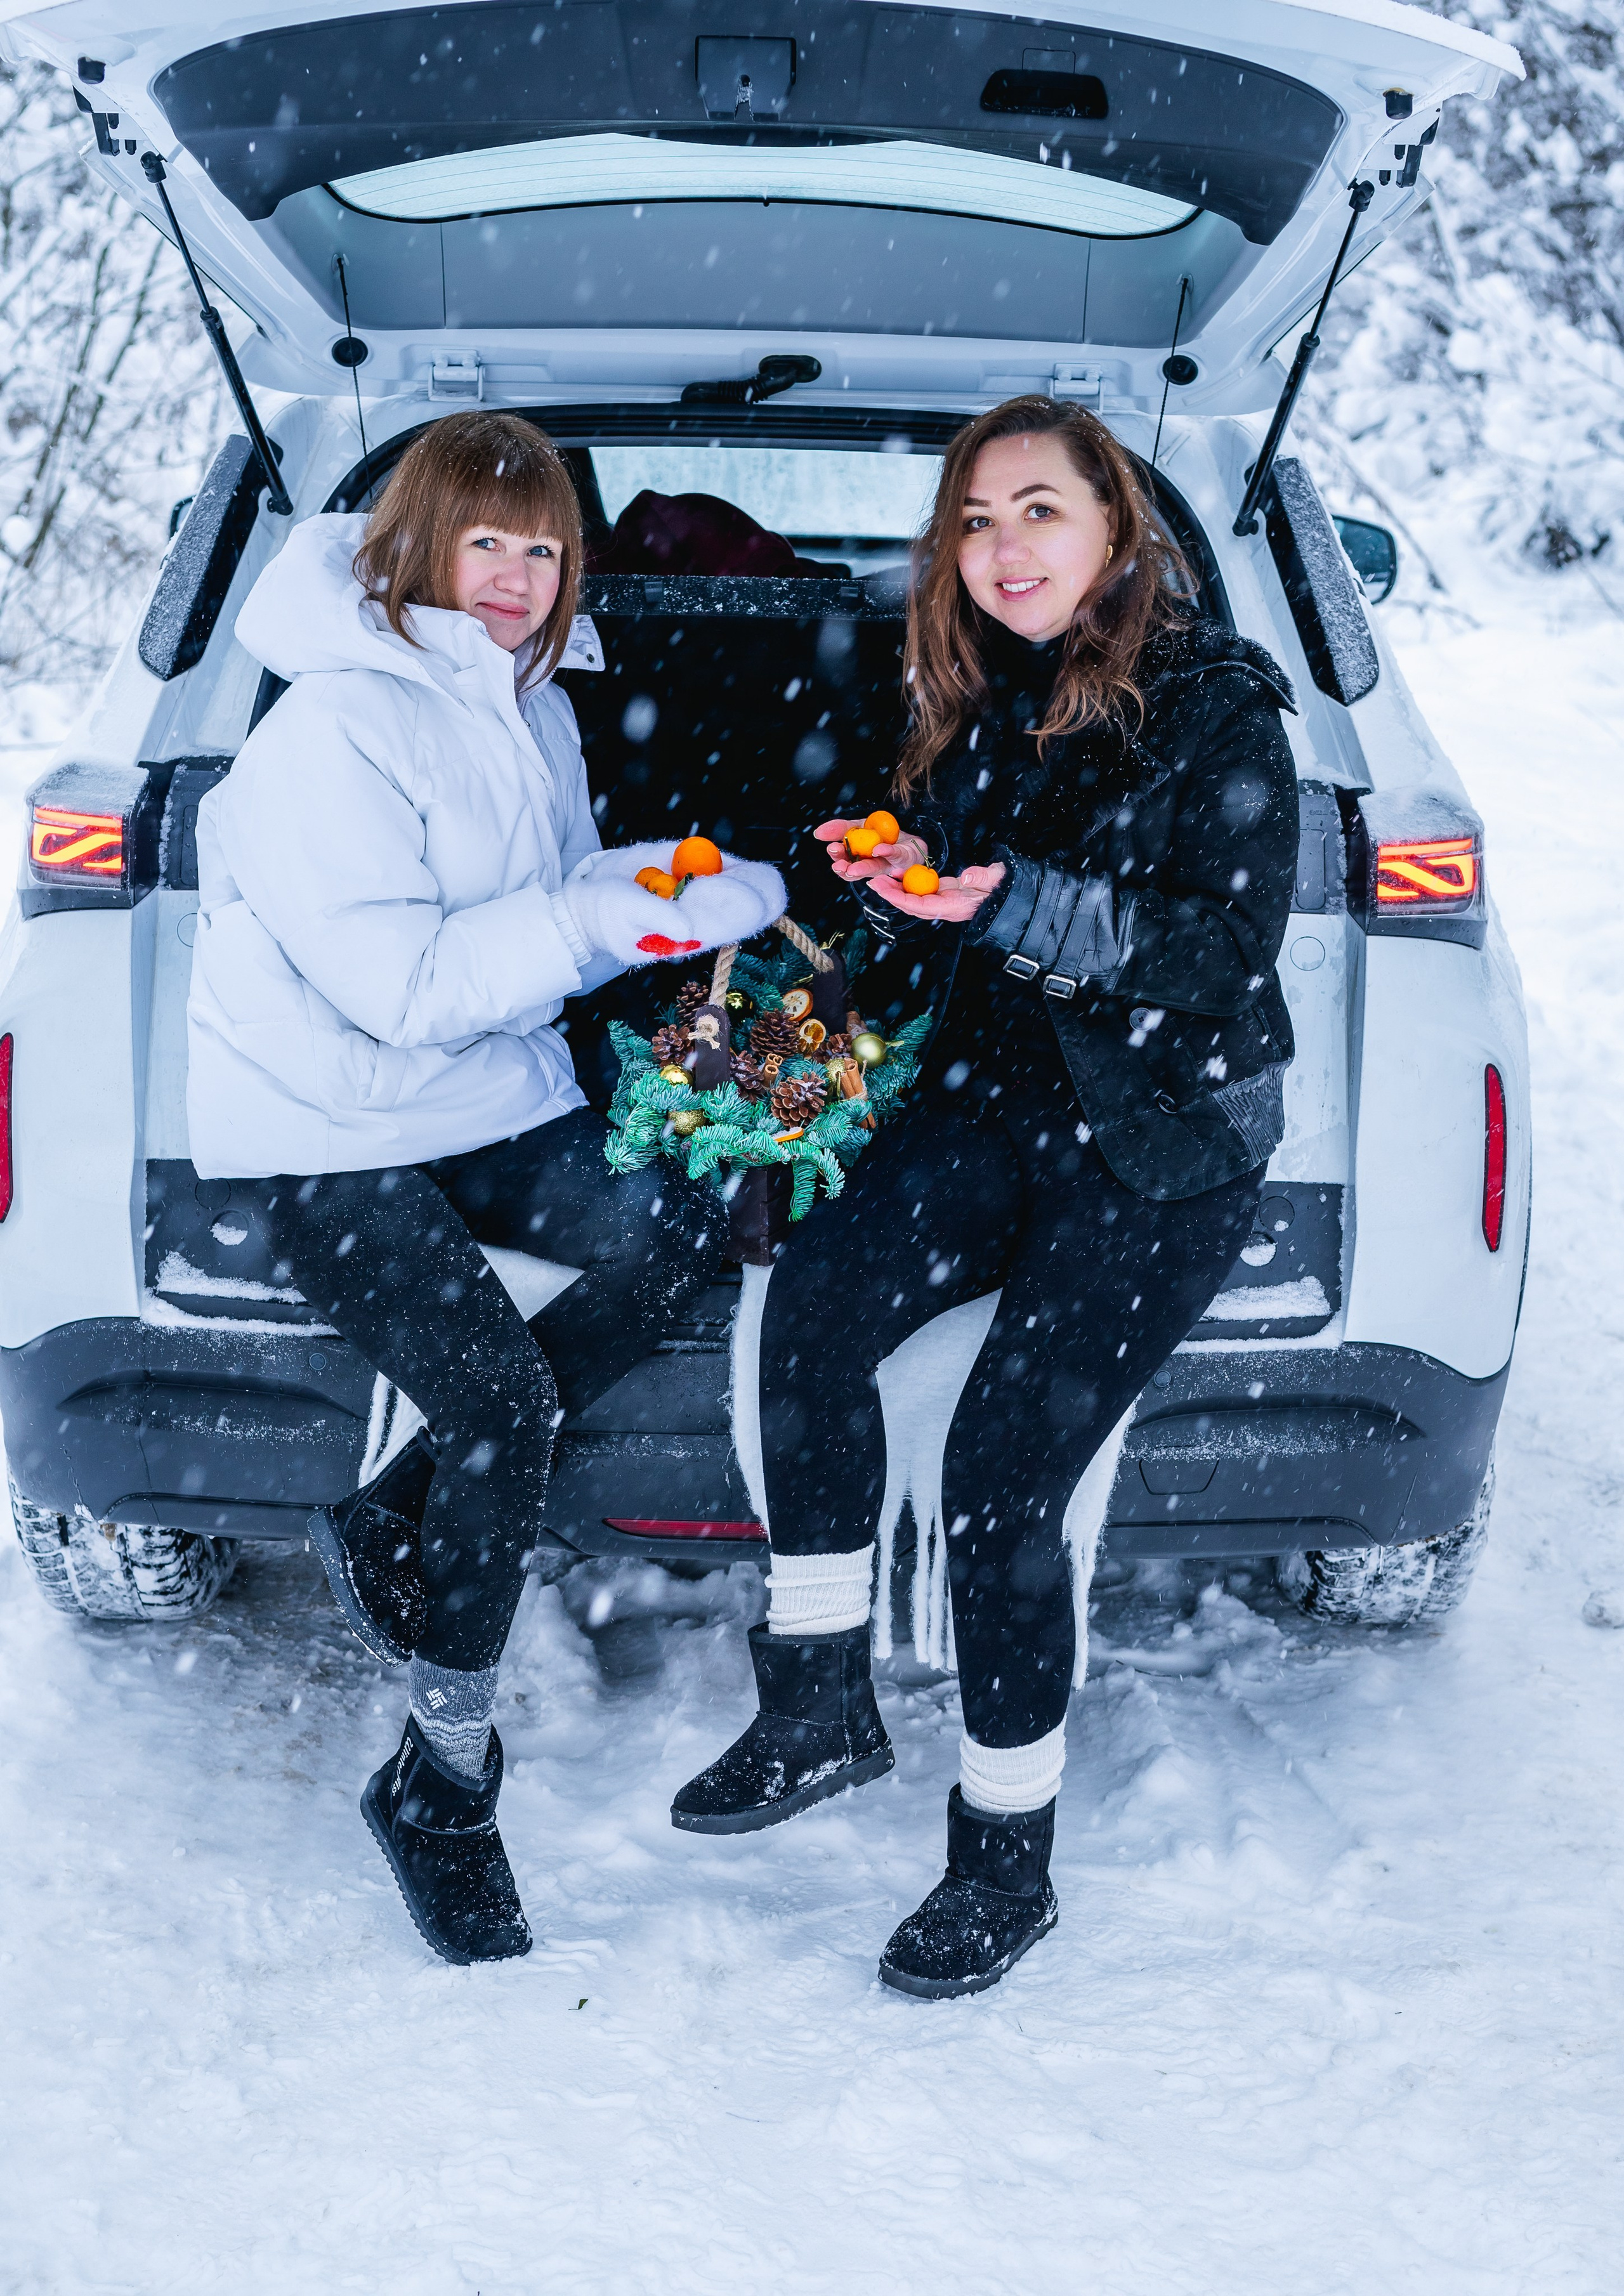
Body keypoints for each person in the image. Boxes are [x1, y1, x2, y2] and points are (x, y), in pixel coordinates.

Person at [671, 396, 1300, 1999]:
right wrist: (878, 901)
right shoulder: (964, 703)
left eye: (1036, 510)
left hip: (1159, 1138)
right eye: (973, 519)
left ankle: (1002, 1862)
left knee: (1001, 1479)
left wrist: (1007, 899)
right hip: (995, 1103)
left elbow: (1214, 959)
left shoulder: (1216, 704)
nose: (1001, 546)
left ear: (1112, 531)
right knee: (807, 1300)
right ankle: (816, 1698)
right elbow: (943, 927)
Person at [187, 410, 784, 1965]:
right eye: (487, 543)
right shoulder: (333, 724)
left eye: (542, 548)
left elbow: (548, 916)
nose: (518, 578)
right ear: (415, 547)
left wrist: (666, 891)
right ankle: (443, 1778)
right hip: (330, 1129)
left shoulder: (532, 708)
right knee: (501, 1406)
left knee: (678, 1227)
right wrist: (597, 910)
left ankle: (391, 1518)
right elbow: (407, 984)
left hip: (474, 1098)